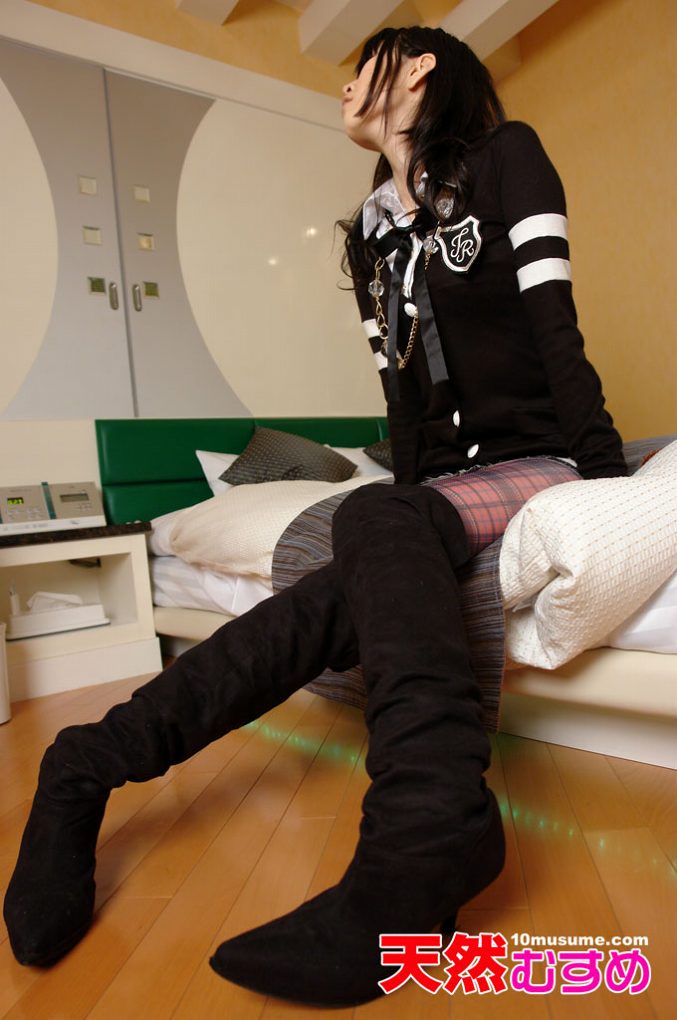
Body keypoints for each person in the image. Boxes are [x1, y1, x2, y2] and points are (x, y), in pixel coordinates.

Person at [3, 25, 627, 1009]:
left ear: (419, 67)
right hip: (443, 482)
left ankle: (107, 767)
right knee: (374, 523)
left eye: (364, 63)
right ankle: (89, 768)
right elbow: (402, 406)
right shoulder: (371, 233)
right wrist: (406, 506)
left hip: (536, 458)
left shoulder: (508, 158)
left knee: (374, 520)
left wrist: (603, 476)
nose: (344, 85)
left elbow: (556, 325)